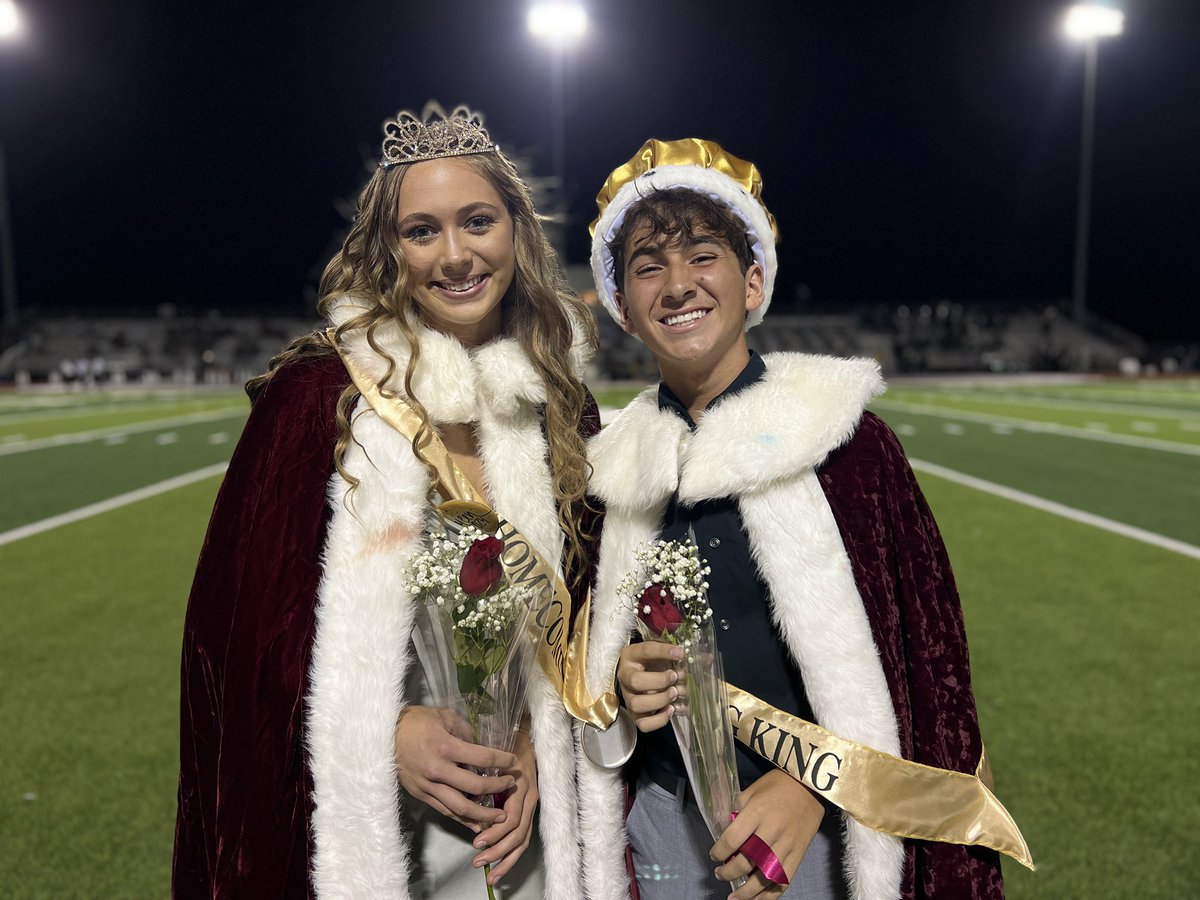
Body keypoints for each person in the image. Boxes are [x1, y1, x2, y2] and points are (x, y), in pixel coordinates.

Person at [173, 103, 599, 899]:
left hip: (526, 819)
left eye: (478, 221)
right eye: (421, 231)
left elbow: (588, 621)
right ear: (388, 249)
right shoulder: (317, 399)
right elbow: (235, 640)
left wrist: (540, 742)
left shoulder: (560, 408)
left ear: (516, 231)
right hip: (375, 821)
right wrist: (387, 730)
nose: (456, 254)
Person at [576, 139, 1006, 900]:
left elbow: (924, 667)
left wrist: (814, 786)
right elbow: (586, 671)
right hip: (663, 829)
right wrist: (619, 683)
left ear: (752, 281)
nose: (677, 285)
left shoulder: (849, 448)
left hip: (826, 839)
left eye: (702, 256)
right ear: (624, 311)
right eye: (647, 267)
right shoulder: (610, 472)